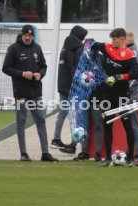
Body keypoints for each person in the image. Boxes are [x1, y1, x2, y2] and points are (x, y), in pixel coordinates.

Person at [2, 24, 58, 162]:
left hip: (35, 92)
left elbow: (43, 66)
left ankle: (45, 153)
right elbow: (6, 68)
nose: (28, 37)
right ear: (22, 35)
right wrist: (22, 74)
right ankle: (23, 153)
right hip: (21, 93)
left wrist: (40, 74)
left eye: (30, 35)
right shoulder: (13, 49)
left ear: (32, 35)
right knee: (21, 122)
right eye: (25, 35)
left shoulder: (37, 48)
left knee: (41, 121)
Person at [91, 28, 138, 167]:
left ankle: (130, 158)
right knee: (107, 125)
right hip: (107, 95)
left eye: (115, 39)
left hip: (122, 95)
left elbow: (135, 73)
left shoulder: (130, 55)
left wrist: (118, 77)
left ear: (122, 39)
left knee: (127, 125)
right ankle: (107, 158)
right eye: (111, 39)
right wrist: (86, 45)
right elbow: (92, 44)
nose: (112, 41)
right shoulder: (107, 48)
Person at [50, 25, 88, 154]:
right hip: (73, 87)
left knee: (62, 113)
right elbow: (75, 70)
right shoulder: (78, 49)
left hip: (62, 85)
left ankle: (56, 138)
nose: (83, 40)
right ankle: (73, 143)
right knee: (77, 116)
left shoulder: (65, 47)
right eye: (83, 37)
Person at [126, 32, 138, 165]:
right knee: (130, 125)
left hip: (133, 95)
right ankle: (131, 151)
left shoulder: (136, 54)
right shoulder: (128, 53)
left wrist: (126, 90)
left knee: (135, 125)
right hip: (127, 95)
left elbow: (137, 76)